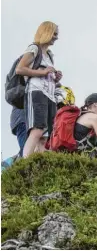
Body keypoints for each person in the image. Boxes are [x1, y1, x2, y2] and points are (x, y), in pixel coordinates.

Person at [15, 21, 63, 158]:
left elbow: (46, 73)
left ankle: (39, 165)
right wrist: (43, 72)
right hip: (36, 92)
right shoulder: (34, 48)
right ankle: (25, 163)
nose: (56, 37)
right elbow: (20, 69)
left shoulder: (49, 55)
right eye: (54, 34)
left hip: (50, 94)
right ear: (46, 32)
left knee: (45, 135)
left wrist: (55, 77)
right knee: (37, 130)